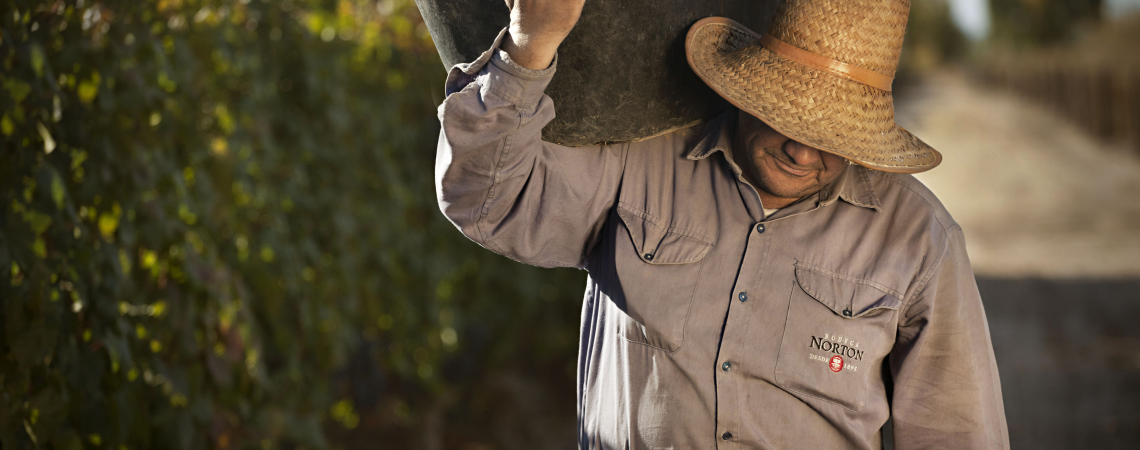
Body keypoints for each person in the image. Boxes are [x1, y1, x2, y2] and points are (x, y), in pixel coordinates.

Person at [433, 0, 1010, 448]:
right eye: (790, 118)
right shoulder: (638, 163)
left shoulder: (919, 241)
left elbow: (956, 435)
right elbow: (483, 200)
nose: (805, 154)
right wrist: (529, 50)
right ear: (750, 88)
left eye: (835, 138)